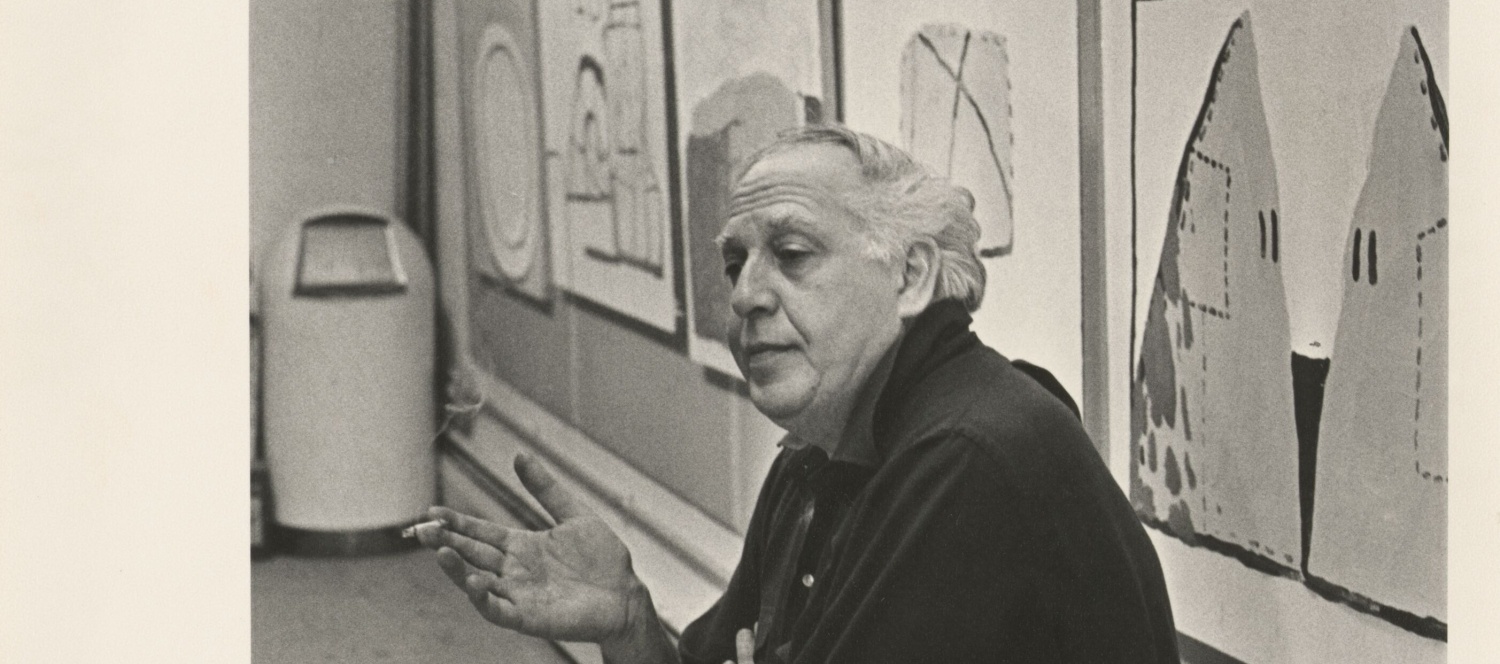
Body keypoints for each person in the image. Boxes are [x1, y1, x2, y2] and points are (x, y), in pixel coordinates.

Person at [415, 125, 1179, 663]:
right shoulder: (822, 450)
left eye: (792, 254)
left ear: (910, 277)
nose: (745, 296)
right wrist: (630, 623)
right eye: (736, 262)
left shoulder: (969, 457)